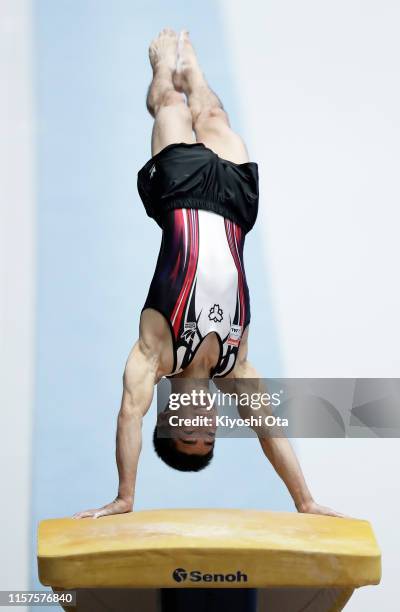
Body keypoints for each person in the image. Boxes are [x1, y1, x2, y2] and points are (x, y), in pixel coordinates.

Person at [74, 29, 344, 520]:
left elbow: (127, 415)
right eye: (208, 435)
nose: (202, 426)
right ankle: (193, 73)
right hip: (235, 208)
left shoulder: (153, 357)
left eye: (187, 432)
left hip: (180, 189)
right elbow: (269, 429)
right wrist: (304, 500)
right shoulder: (235, 368)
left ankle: (163, 73)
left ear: (166, 418)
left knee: (170, 107)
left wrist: (126, 496)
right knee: (215, 115)